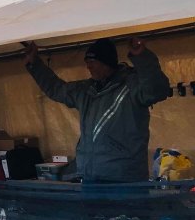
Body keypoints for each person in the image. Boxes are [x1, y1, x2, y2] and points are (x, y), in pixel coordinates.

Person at [23, 37, 170, 183]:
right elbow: (57, 89)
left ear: (106, 63)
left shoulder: (131, 86)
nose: (89, 67)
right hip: (90, 178)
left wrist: (142, 56)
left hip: (125, 179)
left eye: (92, 62)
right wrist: (34, 63)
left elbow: (157, 90)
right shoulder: (86, 90)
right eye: (87, 63)